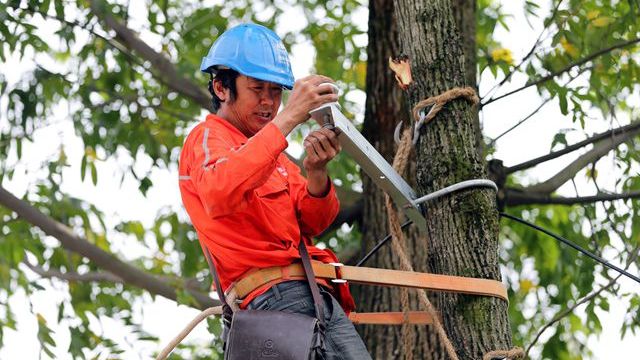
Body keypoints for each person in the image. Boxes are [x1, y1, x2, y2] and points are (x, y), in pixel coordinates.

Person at [178, 23, 371, 359]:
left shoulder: (274, 157)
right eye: (257, 89)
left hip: (303, 294)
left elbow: (313, 223)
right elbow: (218, 189)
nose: (269, 102)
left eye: (276, 91)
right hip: (276, 300)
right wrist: (292, 117)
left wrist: (316, 172)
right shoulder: (208, 138)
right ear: (222, 87)